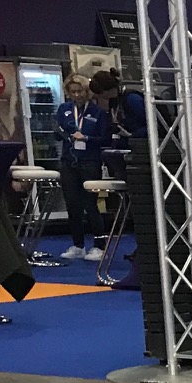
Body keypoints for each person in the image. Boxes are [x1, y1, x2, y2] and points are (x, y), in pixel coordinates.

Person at [53, 75, 116, 262]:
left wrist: (86, 138)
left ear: (87, 91)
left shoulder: (98, 112)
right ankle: (78, 245)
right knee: (72, 205)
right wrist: (66, 135)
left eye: (80, 91)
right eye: (73, 92)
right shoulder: (64, 109)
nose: (77, 95)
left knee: (91, 204)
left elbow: (105, 139)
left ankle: (99, 246)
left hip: (90, 161)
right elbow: (57, 133)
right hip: (68, 161)